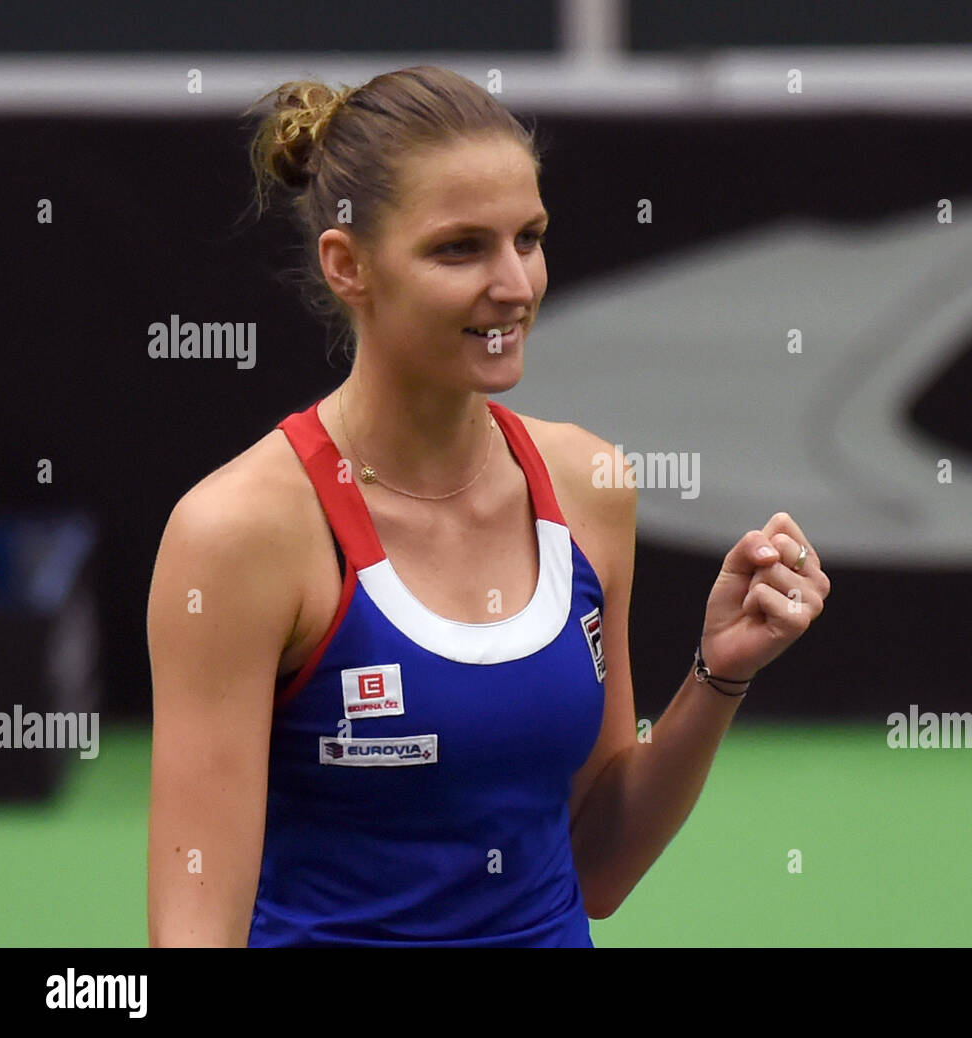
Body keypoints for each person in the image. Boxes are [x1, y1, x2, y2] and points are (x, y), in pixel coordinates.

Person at [146, 65, 830, 947]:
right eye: (460, 248)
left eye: (529, 238)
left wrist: (719, 674)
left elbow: (599, 865)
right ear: (348, 265)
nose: (515, 284)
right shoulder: (236, 535)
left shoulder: (589, 483)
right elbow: (194, 926)